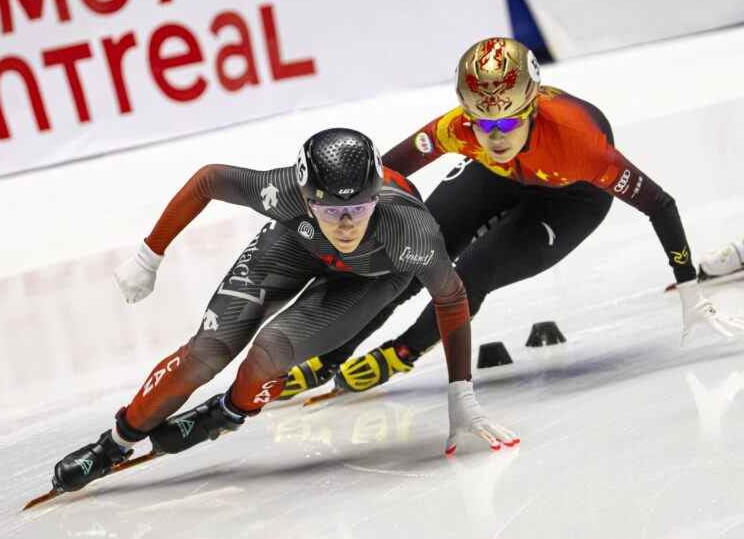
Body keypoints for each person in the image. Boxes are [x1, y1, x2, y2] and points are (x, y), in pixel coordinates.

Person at [50, 128, 520, 494]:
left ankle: (227, 414)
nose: (346, 224)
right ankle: (113, 445)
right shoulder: (283, 192)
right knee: (206, 352)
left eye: (359, 209)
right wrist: (149, 255)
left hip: (372, 277)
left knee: (271, 352)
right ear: (305, 194)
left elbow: (452, 299)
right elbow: (209, 179)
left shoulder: (409, 231)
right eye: (331, 211)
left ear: (377, 195)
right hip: (293, 245)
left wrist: (462, 394)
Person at [280, 38, 744, 401]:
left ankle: (404, 350)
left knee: (473, 272)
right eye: (482, 123)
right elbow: (386, 171)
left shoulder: (579, 144)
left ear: (532, 109)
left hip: (569, 199)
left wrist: (688, 286)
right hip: (498, 177)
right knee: (410, 255)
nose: (494, 135)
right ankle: (331, 355)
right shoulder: (462, 129)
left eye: (506, 124)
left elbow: (660, 204)